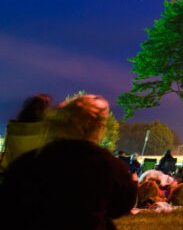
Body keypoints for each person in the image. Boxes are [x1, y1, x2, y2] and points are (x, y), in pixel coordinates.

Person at [0, 94, 137, 228]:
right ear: (97, 128)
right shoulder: (108, 166)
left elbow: (10, 204)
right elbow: (122, 205)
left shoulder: (26, 163)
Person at [0, 94, 50, 174]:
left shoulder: (14, 129)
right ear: (41, 111)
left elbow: (6, 159)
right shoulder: (48, 130)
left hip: (14, 177)